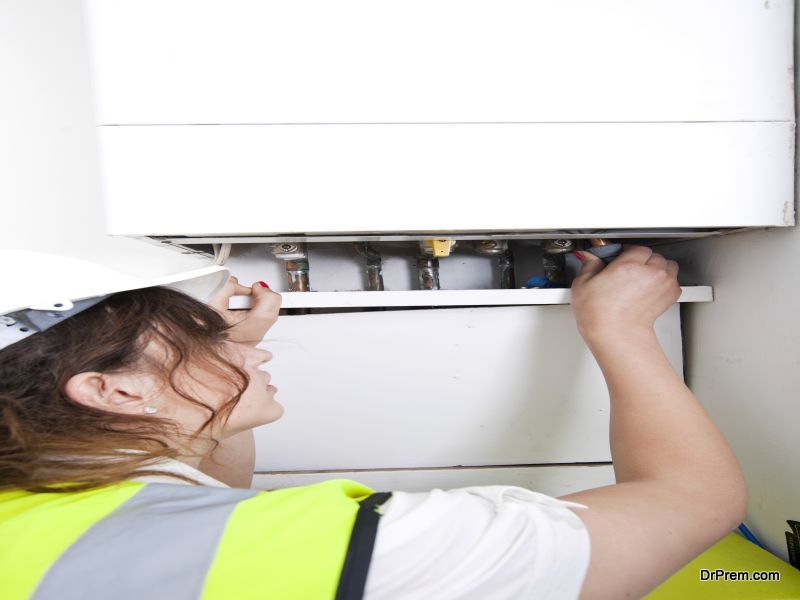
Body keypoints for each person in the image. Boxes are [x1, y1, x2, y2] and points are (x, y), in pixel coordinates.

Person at [0, 245, 745, 599]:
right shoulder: (354, 549)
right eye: (196, 334)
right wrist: (620, 329)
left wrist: (208, 385)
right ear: (109, 392)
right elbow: (694, 501)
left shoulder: (31, 510)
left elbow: (189, 502)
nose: (247, 352)